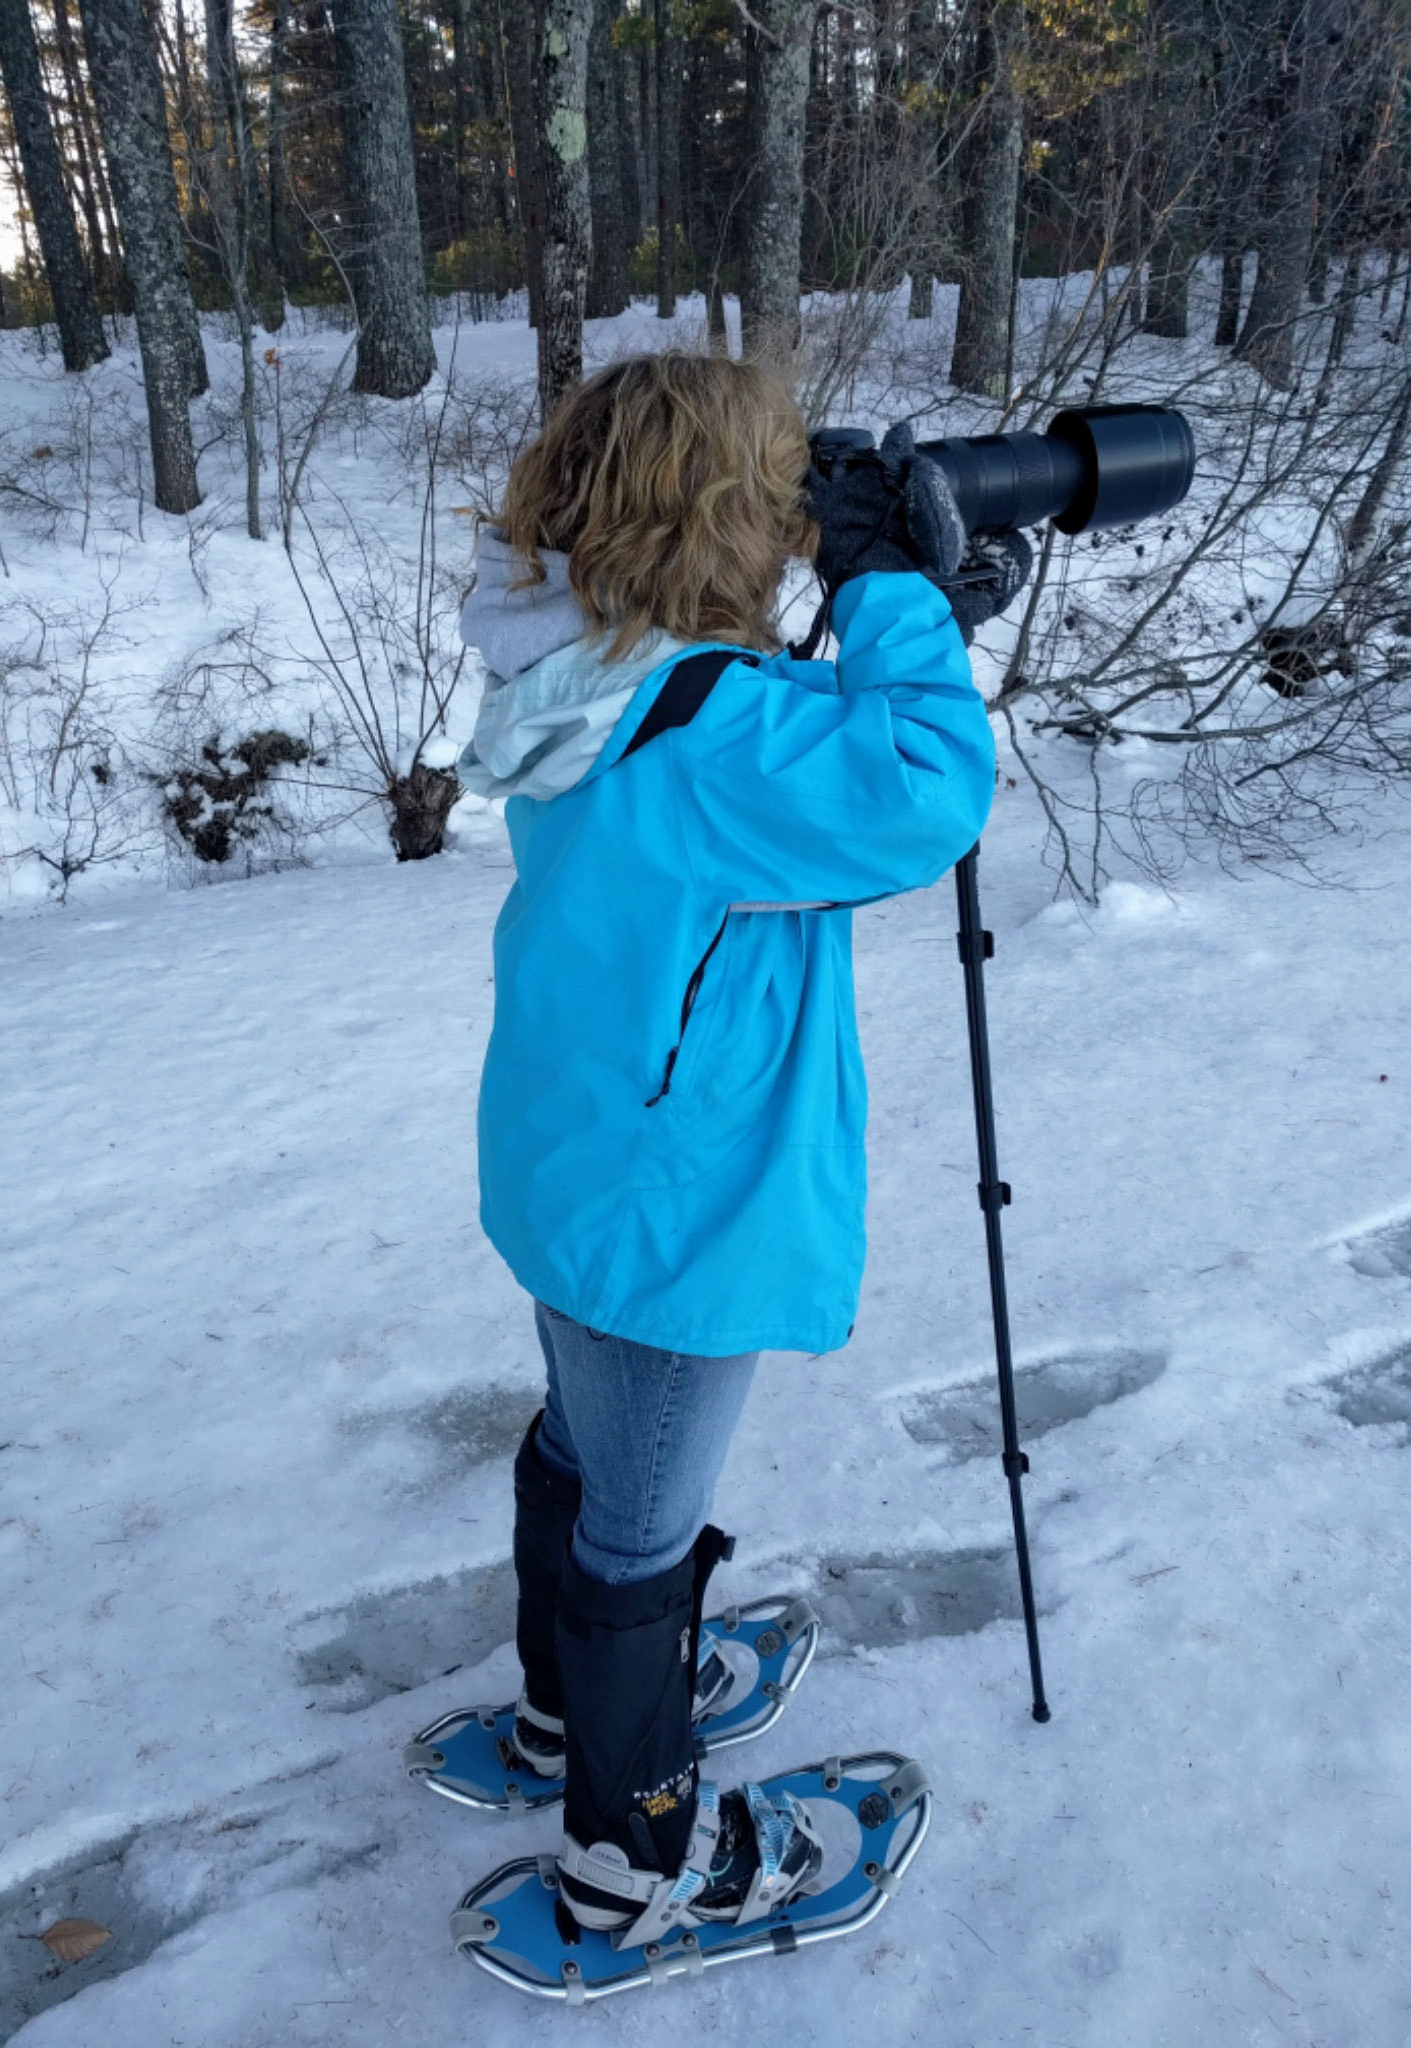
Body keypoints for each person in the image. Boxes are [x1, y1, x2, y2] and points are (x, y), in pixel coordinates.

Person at [456, 350, 1024, 1941]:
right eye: (778, 497)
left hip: (583, 1172)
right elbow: (924, 790)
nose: (795, 524)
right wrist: (897, 594)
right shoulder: (707, 739)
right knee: (638, 1524)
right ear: (723, 514)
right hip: (680, 1217)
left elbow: (766, 735)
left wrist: (897, 606)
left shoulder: (594, 672)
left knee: (583, 1455)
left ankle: (572, 1713)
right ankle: (634, 1854)